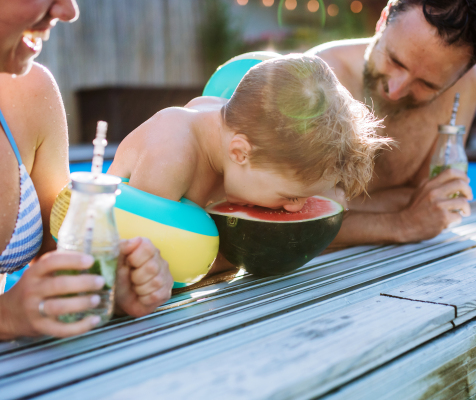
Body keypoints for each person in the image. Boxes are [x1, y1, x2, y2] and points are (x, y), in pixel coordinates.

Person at [108, 54, 391, 274]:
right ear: (241, 153)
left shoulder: (237, 131)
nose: (296, 207)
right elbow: (142, 266)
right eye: (290, 196)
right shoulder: (170, 155)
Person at [0, 0, 173, 340]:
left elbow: (60, 257)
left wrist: (107, 284)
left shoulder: (31, 94)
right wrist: (6, 317)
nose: (68, 10)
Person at [306, 0, 476, 245]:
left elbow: (432, 196)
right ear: (383, 20)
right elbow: (292, 220)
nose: (395, 90)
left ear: (460, 76)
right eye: (394, 60)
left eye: (427, 84)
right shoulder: (317, 78)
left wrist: (340, 208)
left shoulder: (468, 81)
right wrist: (403, 224)